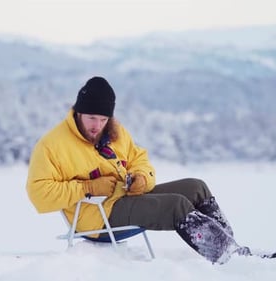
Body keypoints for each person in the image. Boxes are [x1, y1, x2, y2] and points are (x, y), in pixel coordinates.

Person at [26, 76, 247, 264]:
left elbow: (139, 158)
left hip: (127, 197)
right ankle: (227, 259)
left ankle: (233, 249)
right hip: (98, 218)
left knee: (196, 187)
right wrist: (87, 187)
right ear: (78, 113)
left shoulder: (115, 132)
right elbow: (38, 194)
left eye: (103, 119)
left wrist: (142, 178)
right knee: (176, 206)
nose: (97, 125)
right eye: (91, 118)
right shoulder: (52, 145)